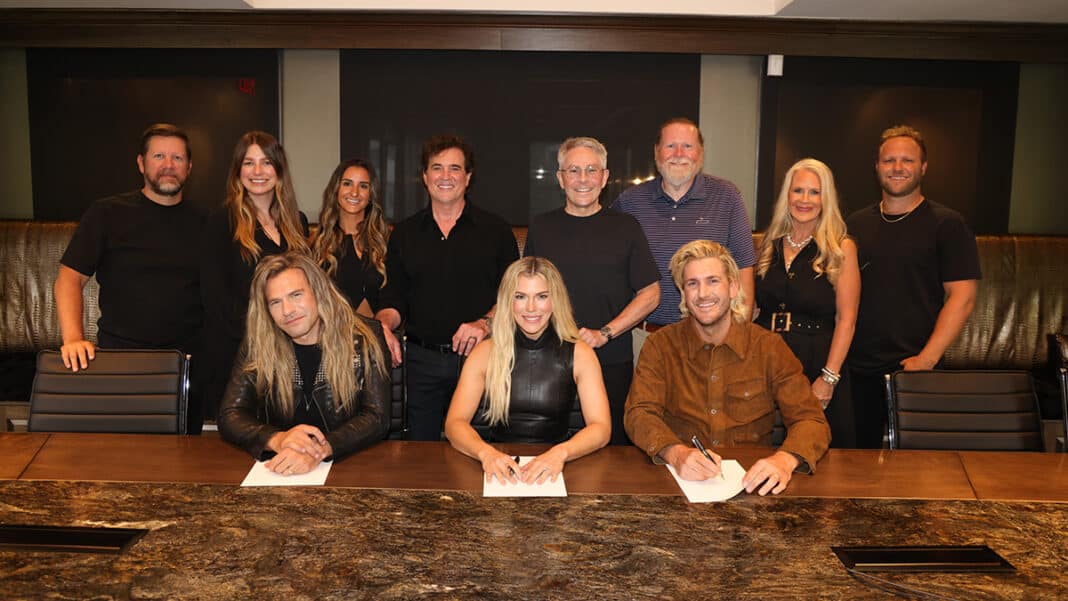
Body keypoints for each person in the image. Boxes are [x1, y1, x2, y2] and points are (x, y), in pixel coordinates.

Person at [625, 240, 830, 496]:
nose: (702, 294)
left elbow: (810, 420)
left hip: (753, 485)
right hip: (680, 484)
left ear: (733, 287)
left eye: (713, 281)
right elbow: (639, 414)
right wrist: (675, 453)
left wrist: (784, 461)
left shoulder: (769, 348)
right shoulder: (660, 346)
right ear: (683, 293)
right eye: (692, 284)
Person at [55, 123, 206, 433]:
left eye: (177, 158)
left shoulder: (207, 221)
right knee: (123, 456)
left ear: (189, 168)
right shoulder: (107, 213)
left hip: (187, 363)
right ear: (141, 163)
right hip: (121, 359)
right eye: (159, 156)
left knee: (182, 458)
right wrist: (73, 338)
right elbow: (69, 279)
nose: (168, 165)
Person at [375, 134, 519, 440]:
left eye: (455, 168)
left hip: (482, 357)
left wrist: (485, 323)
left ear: (468, 177)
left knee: (479, 451)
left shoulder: (496, 230)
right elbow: (394, 298)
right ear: (425, 177)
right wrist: (383, 325)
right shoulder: (404, 233)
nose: (445, 176)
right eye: (437, 168)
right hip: (421, 362)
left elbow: (512, 296)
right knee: (420, 455)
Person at [846, 125, 981, 448]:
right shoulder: (855, 224)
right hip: (858, 369)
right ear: (877, 166)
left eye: (907, 160)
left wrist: (927, 359)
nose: (897, 167)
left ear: (923, 167)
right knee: (855, 467)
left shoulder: (947, 224)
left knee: (916, 475)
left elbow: (962, 297)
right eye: (889, 160)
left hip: (914, 368)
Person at [525, 136, 659, 445]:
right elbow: (526, 293)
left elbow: (651, 293)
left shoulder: (627, 227)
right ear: (560, 178)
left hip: (610, 359)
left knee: (611, 449)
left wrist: (605, 333)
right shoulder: (542, 227)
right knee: (544, 448)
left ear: (605, 177)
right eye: (573, 170)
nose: (582, 179)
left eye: (591, 170)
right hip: (547, 359)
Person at [218, 252, 390, 475]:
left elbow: (377, 417)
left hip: (348, 469)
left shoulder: (364, 336)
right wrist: (277, 439)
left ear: (318, 292)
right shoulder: (258, 343)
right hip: (280, 470)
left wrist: (319, 449)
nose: (287, 311)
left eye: (296, 295)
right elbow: (230, 414)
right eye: (275, 302)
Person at [444, 257, 611, 483]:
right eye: (520, 297)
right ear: (507, 301)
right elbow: (455, 423)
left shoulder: (581, 353)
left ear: (555, 300)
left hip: (559, 467)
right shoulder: (484, 352)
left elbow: (601, 428)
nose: (531, 308)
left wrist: (560, 453)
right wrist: (486, 453)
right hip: (498, 466)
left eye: (542, 296)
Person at [614, 117, 756, 346]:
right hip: (645, 339)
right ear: (656, 152)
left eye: (688, 146)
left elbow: (744, 273)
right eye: (670, 146)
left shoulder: (727, 197)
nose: (678, 153)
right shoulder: (630, 202)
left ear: (700, 153)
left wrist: (739, 339)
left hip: (711, 340)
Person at [201, 131, 310, 421]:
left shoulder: (296, 221)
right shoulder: (222, 220)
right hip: (238, 353)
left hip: (288, 354)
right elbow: (215, 299)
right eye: (249, 163)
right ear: (238, 172)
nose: (258, 172)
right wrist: (265, 337)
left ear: (279, 169)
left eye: (266, 162)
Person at [755, 158, 860, 448]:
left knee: (818, 455)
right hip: (766, 360)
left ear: (826, 199)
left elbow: (847, 319)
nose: (804, 200)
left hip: (817, 361)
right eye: (798, 190)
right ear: (786, 195)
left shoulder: (841, 248)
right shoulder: (767, 244)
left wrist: (829, 378)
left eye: (814, 192)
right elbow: (752, 309)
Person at [312, 158, 401, 365]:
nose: (354, 192)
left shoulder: (388, 241)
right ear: (336, 189)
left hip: (376, 352)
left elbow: (395, 297)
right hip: (331, 353)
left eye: (363, 186)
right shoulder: (316, 245)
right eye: (347, 183)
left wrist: (381, 330)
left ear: (371, 195)